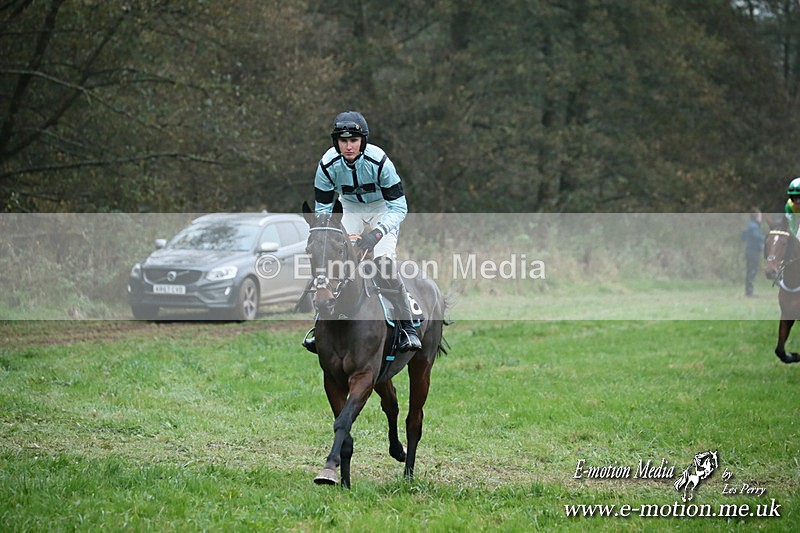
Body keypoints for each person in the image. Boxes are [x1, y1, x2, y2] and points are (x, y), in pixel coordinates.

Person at [303, 110, 421, 353]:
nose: (348, 146)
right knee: (333, 259)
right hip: (350, 208)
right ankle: (319, 326)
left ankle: (408, 327)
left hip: (383, 209)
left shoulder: (380, 161)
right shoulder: (327, 164)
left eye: (353, 141)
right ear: (336, 142)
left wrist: (377, 234)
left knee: (383, 264)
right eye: (343, 141)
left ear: (362, 141)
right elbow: (324, 208)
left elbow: (400, 206)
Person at [740, 209, 763, 297]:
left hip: (751, 251)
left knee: (751, 270)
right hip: (753, 252)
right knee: (751, 271)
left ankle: (749, 291)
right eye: (760, 216)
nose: (761, 218)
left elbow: (743, 236)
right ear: (756, 217)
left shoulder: (751, 225)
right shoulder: (753, 227)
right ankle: (749, 292)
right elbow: (758, 237)